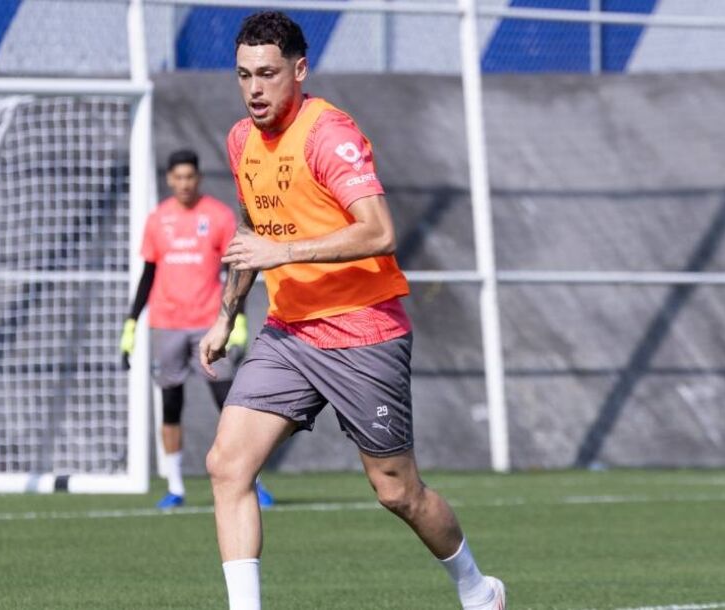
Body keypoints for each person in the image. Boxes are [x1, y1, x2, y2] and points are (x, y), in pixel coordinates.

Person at [198, 12, 505, 610]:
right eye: (243, 76)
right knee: (226, 465)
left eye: (267, 74)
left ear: (299, 69)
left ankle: (477, 589)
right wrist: (226, 314)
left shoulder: (328, 134)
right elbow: (252, 230)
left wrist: (280, 250)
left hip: (363, 332)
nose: (255, 89)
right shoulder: (241, 140)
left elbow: (380, 231)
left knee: (397, 492)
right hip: (289, 333)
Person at [122, 148, 273, 510]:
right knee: (171, 405)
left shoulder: (218, 217)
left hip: (210, 327)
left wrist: (236, 321)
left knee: (231, 405)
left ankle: (253, 481)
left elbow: (238, 272)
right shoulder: (157, 220)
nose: (184, 183)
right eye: (178, 177)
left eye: (190, 177)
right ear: (170, 180)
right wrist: (131, 322)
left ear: (198, 178)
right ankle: (175, 487)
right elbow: (149, 274)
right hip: (167, 324)